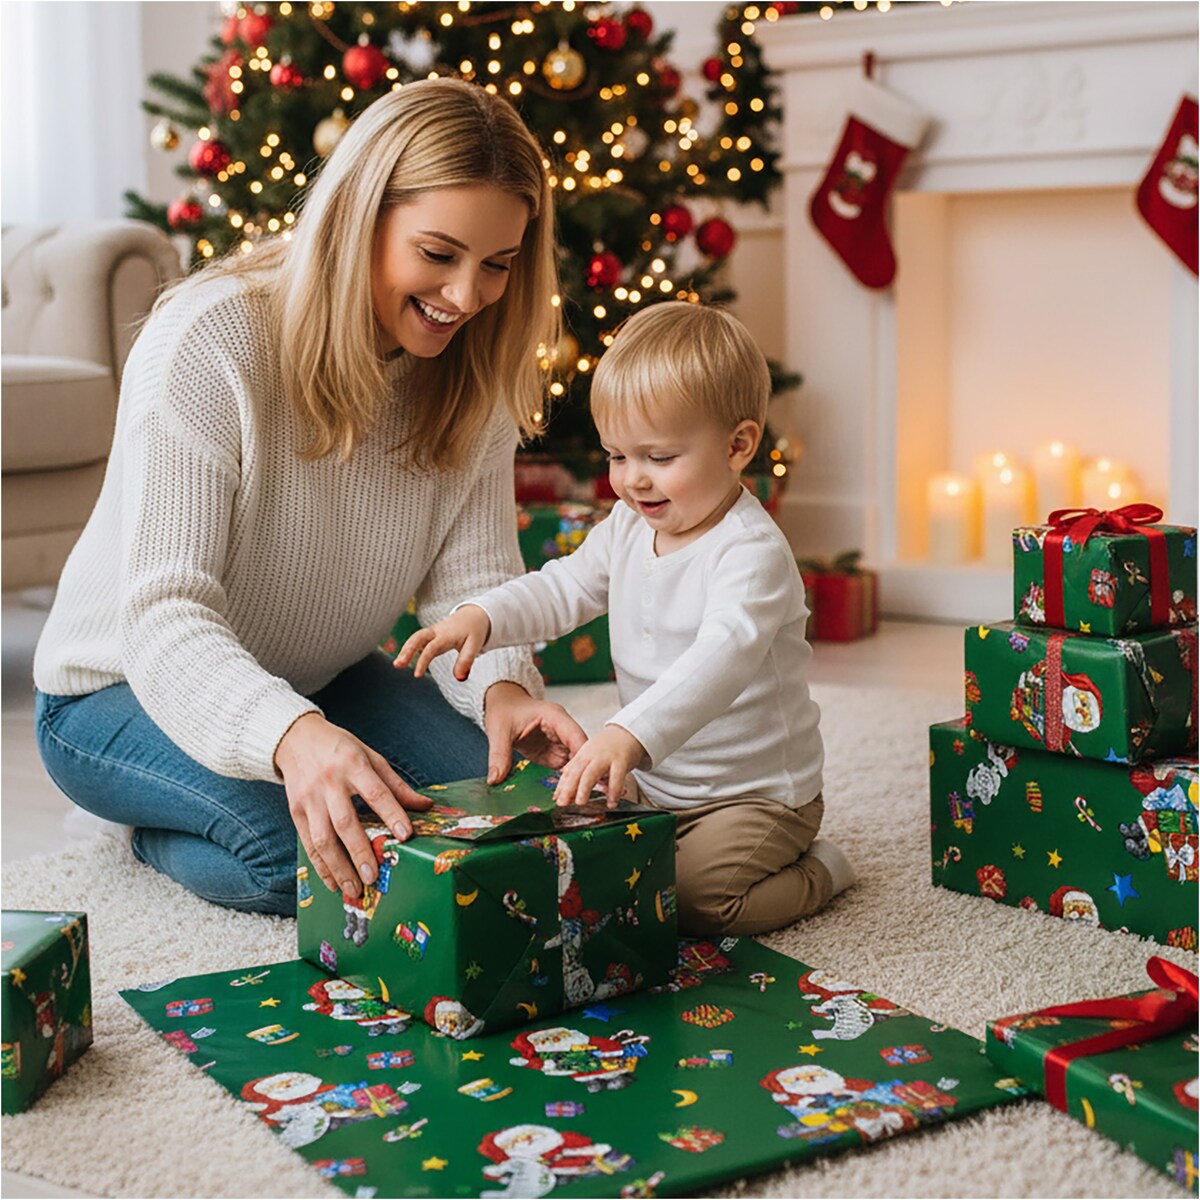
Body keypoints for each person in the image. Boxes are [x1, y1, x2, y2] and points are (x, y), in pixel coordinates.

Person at [32, 79, 587, 916]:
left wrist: (504, 690)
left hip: (318, 675)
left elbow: (472, 579)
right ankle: (136, 826)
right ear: (361, 219)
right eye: (438, 255)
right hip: (117, 689)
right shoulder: (210, 341)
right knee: (318, 862)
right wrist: (292, 737)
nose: (467, 297)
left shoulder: (475, 372)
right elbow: (164, 618)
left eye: (498, 265)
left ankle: (268, 761)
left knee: (482, 822)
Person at [395, 302, 855, 937]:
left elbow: (713, 666)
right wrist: (485, 615)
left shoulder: (750, 555)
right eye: (617, 456)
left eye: (659, 457)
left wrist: (626, 734)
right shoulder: (630, 524)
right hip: (653, 779)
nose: (633, 481)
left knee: (694, 902)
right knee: (587, 869)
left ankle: (822, 870)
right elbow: (567, 586)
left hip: (754, 796)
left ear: (738, 446)